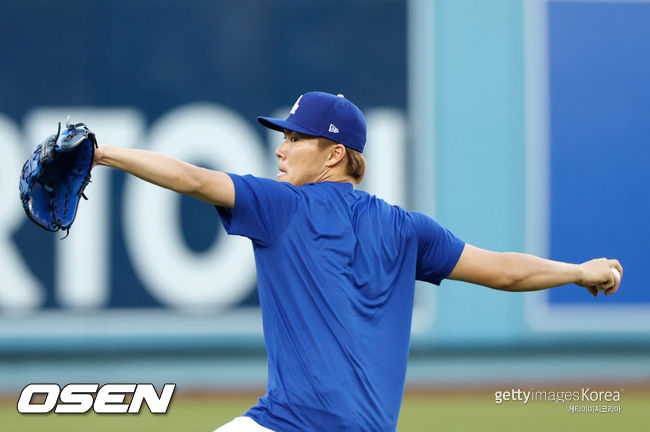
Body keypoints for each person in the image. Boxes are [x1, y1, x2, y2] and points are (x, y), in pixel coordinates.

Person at [92, 91, 622, 432]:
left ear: (334, 154)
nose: (281, 149)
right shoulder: (408, 229)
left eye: (295, 138)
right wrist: (578, 271)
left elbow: (193, 177)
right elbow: (507, 271)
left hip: (292, 424)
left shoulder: (281, 207)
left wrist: (103, 154)